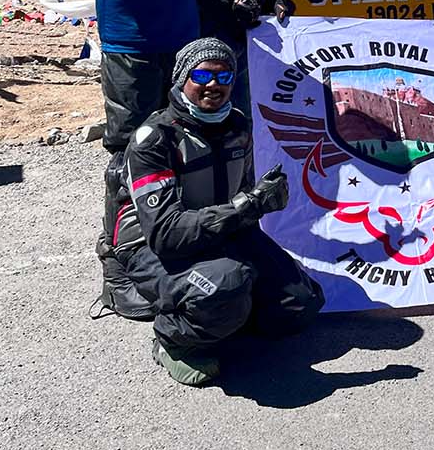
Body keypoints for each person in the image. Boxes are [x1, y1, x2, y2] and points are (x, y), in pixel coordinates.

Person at [106, 38, 326, 387]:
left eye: (225, 78)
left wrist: (266, 199)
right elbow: (166, 236)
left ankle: (224, 313)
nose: (214, 85)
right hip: (151, 249)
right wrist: (246, 207)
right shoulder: (153, 140)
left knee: (300, 304)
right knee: (225, 286)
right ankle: (172, 340)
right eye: (202, 75)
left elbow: (242, 197)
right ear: (181, 79)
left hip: (218, 233)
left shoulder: (237, 126)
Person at [72, 0, 202, 319]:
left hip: (184, 42)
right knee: (128, 155)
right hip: (132, 45)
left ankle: (171, 246)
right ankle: (117, 267)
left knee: (183, 150)